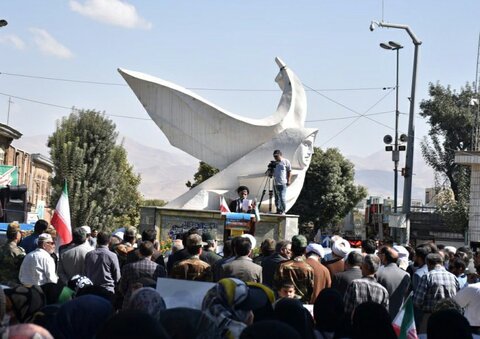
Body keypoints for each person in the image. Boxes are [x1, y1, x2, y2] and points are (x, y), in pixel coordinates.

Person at [202, 278, 267, 339]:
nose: (251, 312)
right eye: (247, 308)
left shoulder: (199, 324)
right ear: (232, 311)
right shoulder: (242, 335)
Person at [413, 253, 459, 333]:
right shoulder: (453, 277)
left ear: (428, 263)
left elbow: (417, 301)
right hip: (451, 317)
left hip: (430, 316)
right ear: (442, 263)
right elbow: (459, 299)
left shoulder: (427, 276)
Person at [274, 235, 314, 303]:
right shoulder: (309, 269)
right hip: (302, 304)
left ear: (292, 248)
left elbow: (276, 286)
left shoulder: (282, 266)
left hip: (284, 303)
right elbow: (311, 290)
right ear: (305, 250)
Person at [376, 246, 411, 317]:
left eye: (379, 254)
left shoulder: (378, 273)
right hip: (398, 314)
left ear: (384, 256)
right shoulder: (406, 275)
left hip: (382, 313)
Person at [271, 150, 291, 215]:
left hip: (283, 183)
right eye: (274, 156)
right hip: (275, 183)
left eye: (276, 156)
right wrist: (271, 169)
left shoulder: (286, 161)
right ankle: (278, 210)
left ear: (280, 155)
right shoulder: (274, 163)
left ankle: (283, 211)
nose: (275, 158)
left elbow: (289, 171)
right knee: (276, 198)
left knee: (282, 197)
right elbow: (270, 173)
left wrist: (289, 180)